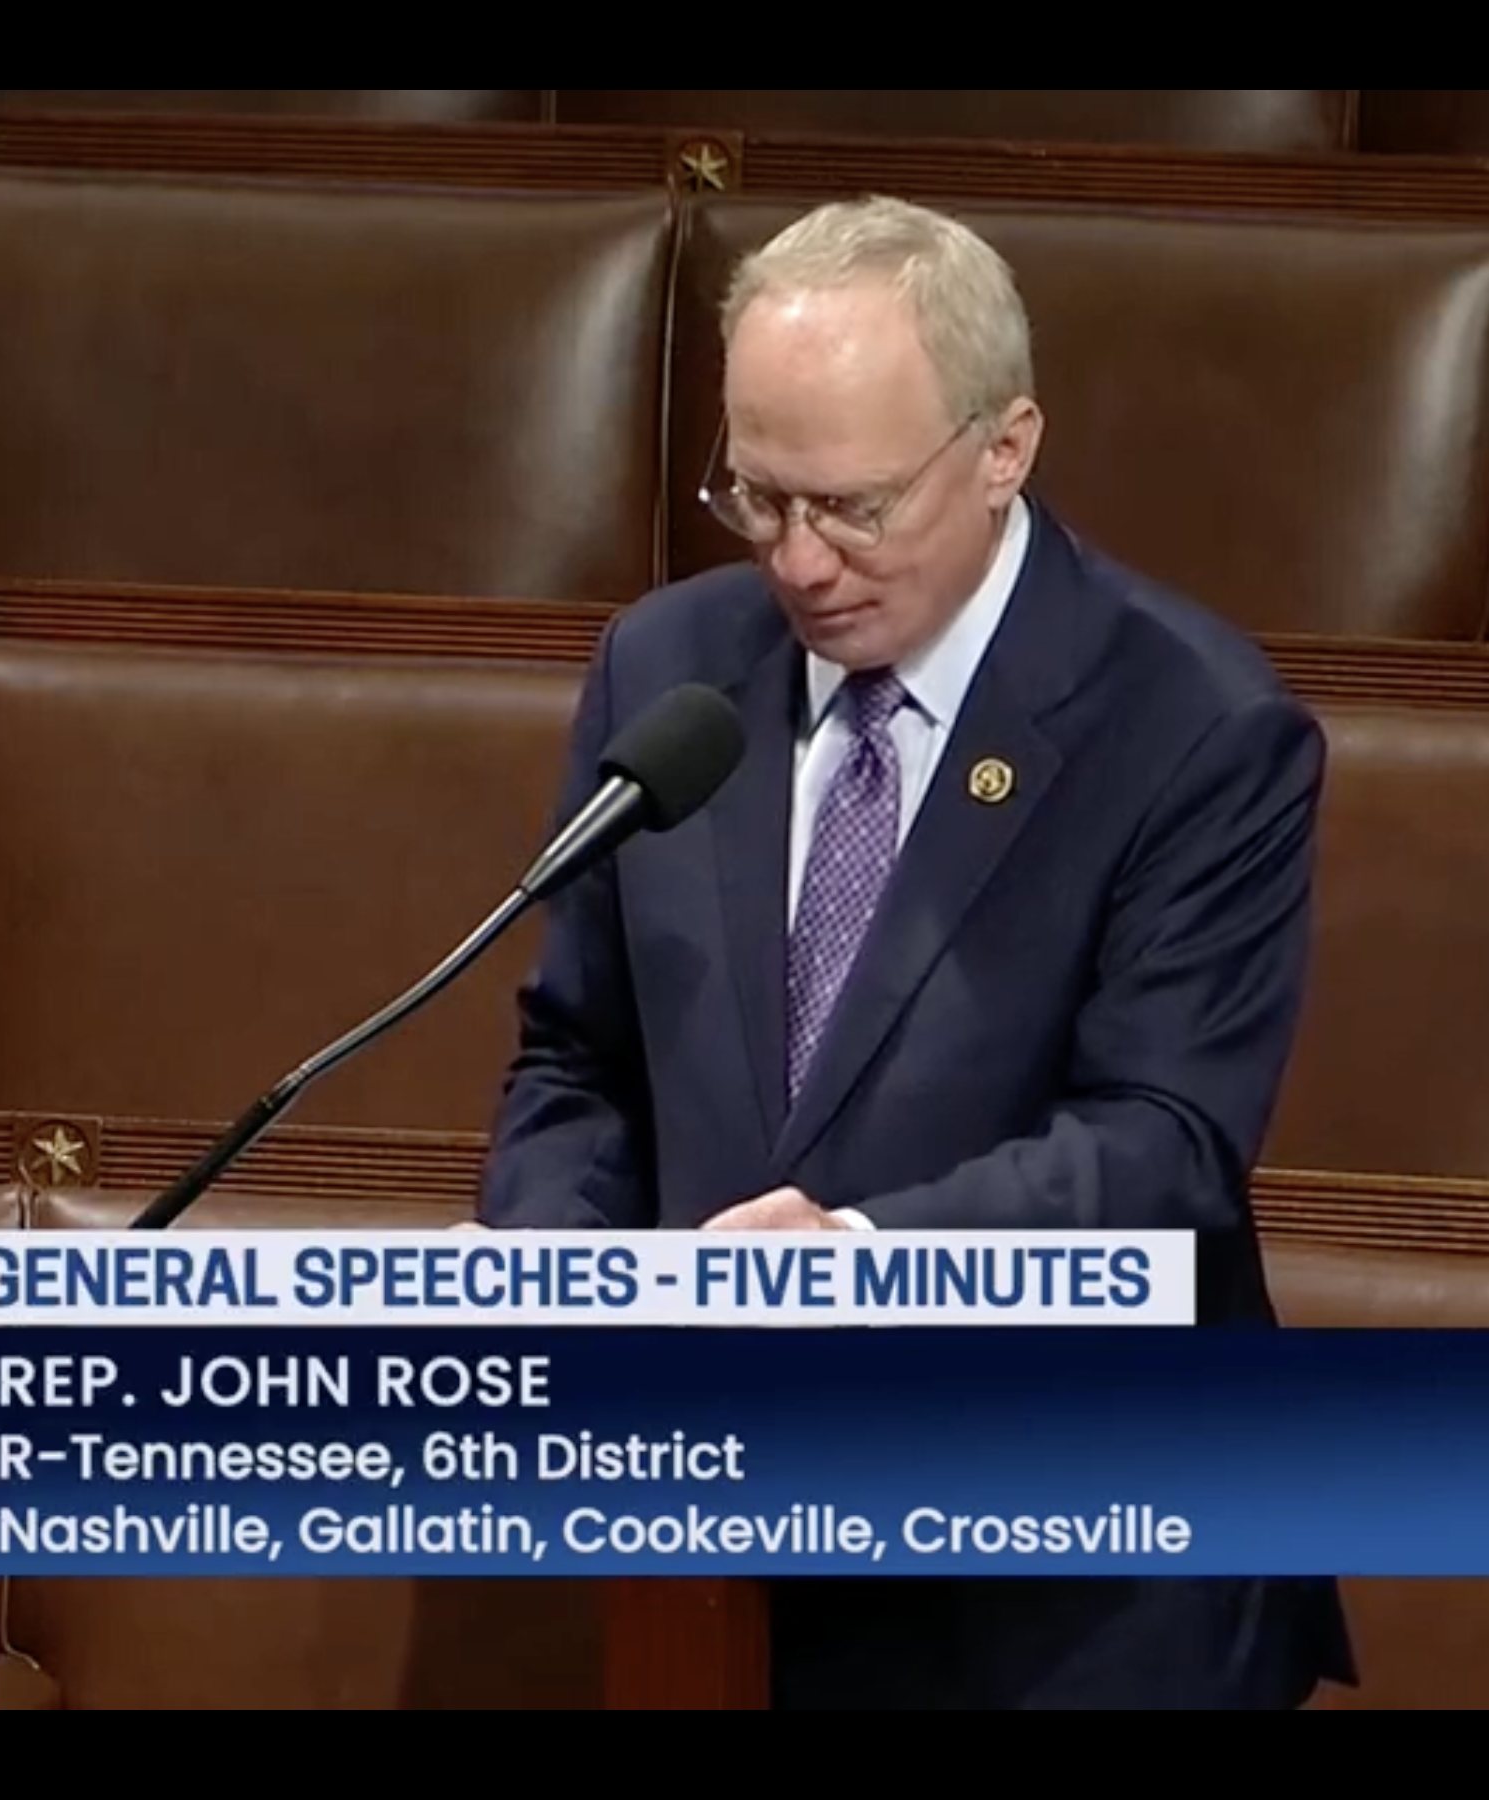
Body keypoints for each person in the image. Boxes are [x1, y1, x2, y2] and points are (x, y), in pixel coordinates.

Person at [469, 194, 1353, 1709]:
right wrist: (559, 1284)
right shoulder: (668, 671)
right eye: (758, 499)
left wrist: (862, 1265)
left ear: (1005, 449)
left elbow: (1164, 1145)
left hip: (1075, 1586)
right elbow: (581, 1054)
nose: (801, 563)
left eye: (855, 506)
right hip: (729, 1553)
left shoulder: (1193, 725)